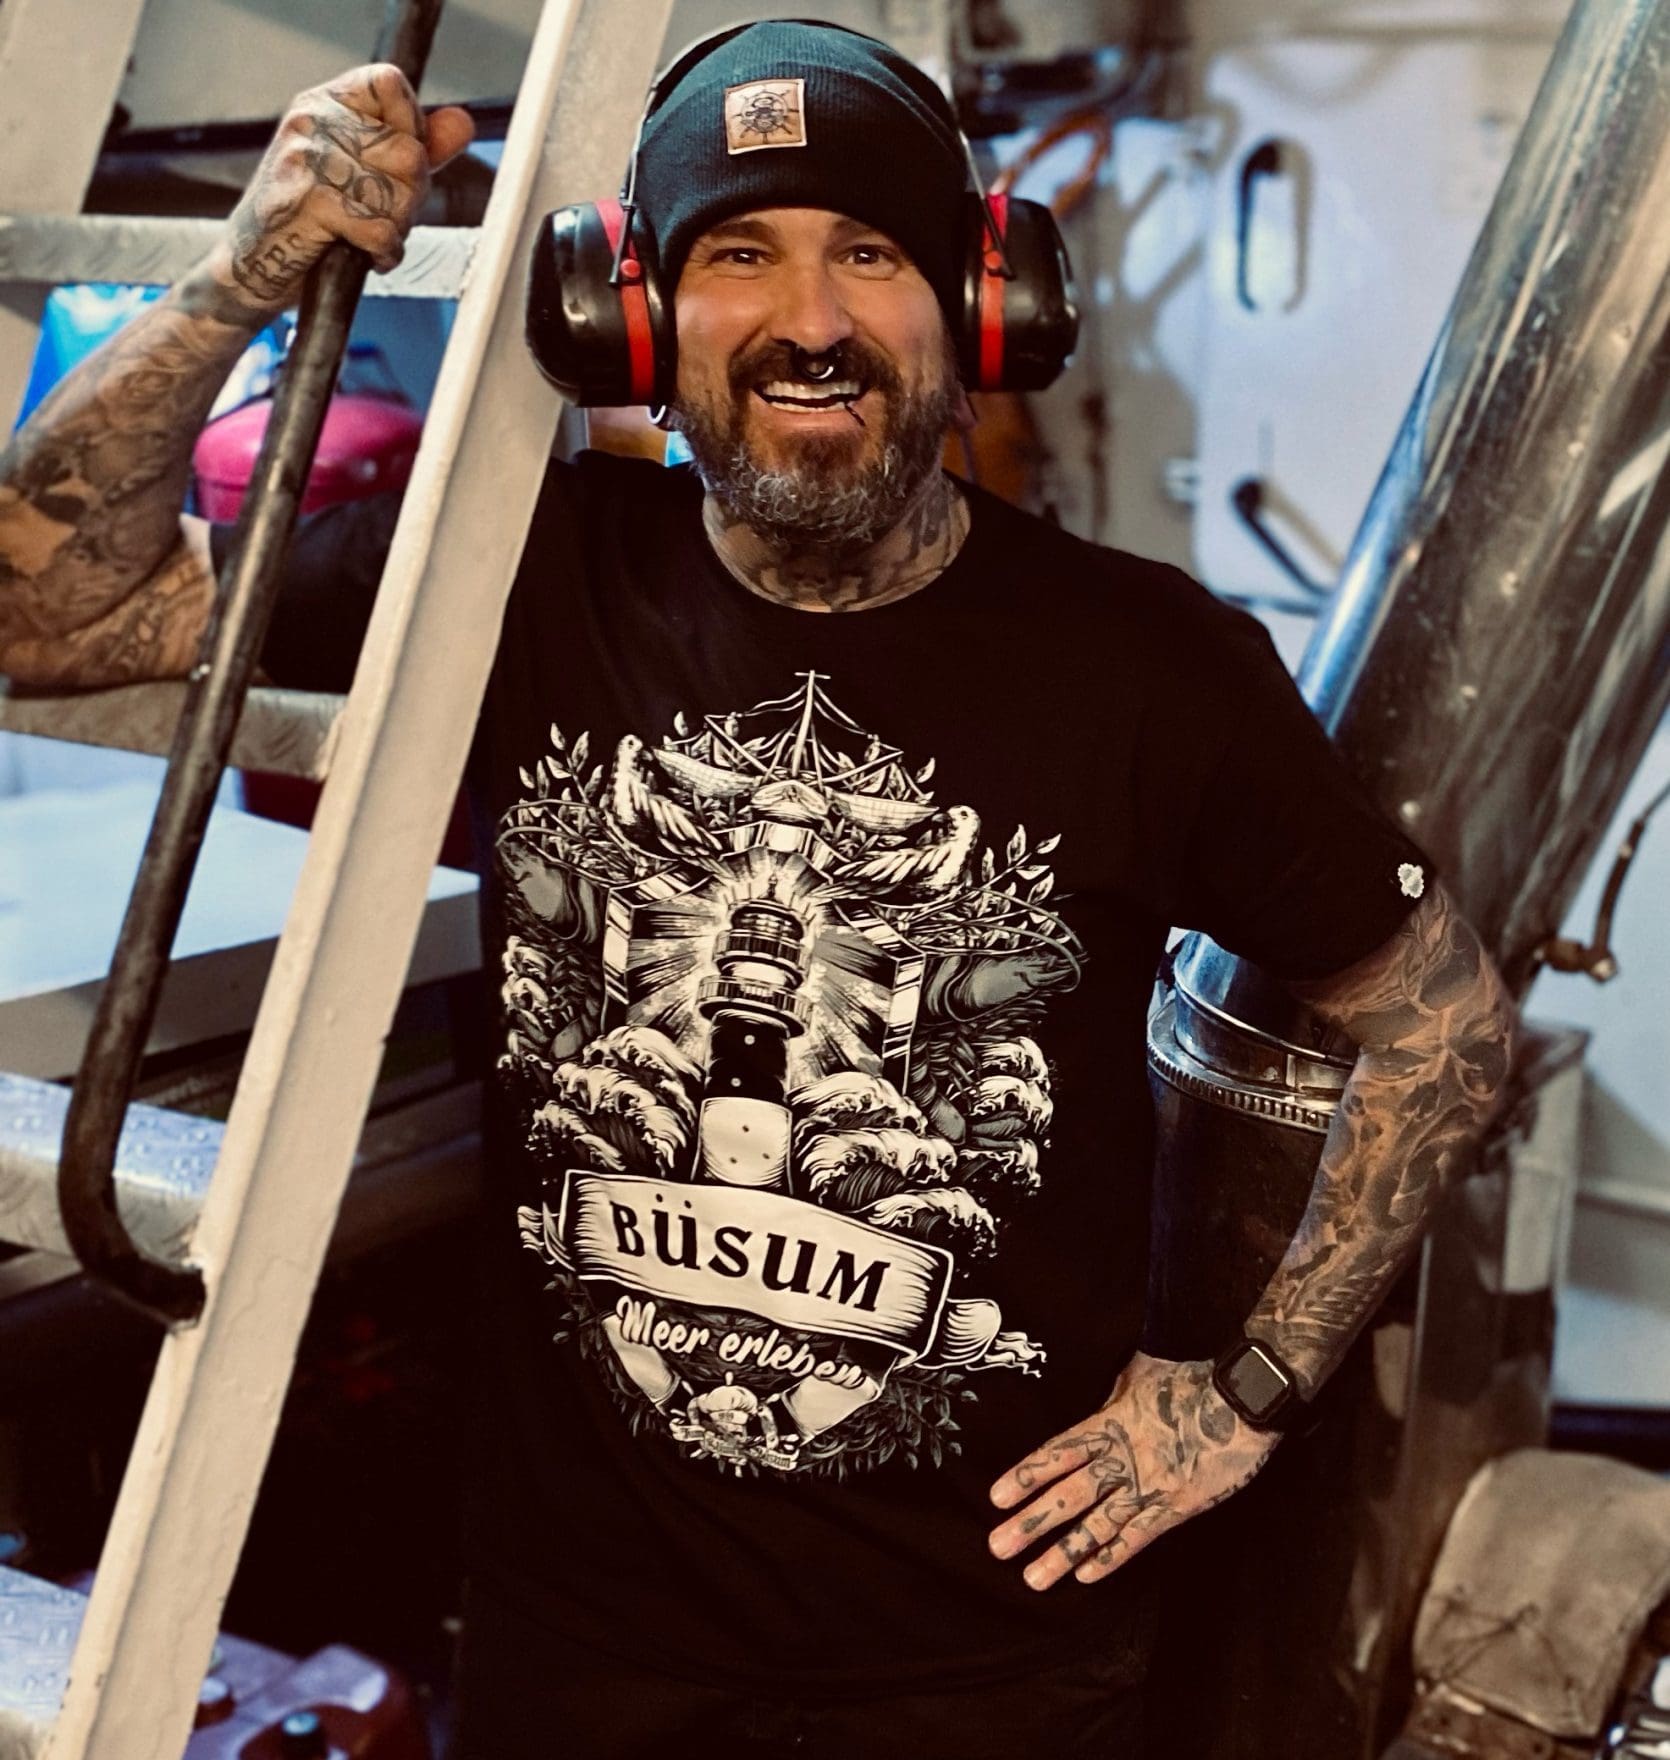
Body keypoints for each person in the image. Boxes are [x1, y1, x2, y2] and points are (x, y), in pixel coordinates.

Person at [0, 22, 1517, 1759]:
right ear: (629, 320)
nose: (810, 322)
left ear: (979, 308)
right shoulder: (508, 575)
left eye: (869, 254)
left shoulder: (1154, 668)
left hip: (995, 1669)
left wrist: (1246, 1391)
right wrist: (244, 271)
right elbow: (42, 614)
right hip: (581, 1650)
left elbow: (1442, 1027)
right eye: (739, 254)